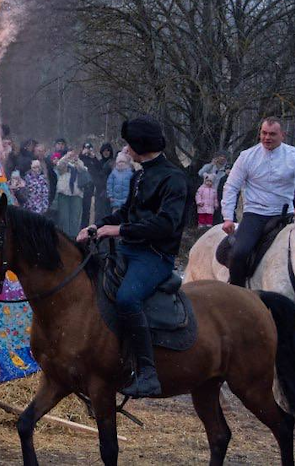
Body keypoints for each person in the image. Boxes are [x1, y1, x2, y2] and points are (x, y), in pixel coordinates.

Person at [79, 116, 187, 397]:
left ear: (140, 145)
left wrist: (120, 230)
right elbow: (126, 212)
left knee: (127, 297)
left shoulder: (174, 179)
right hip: (128, 250)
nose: (125, 148)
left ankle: (148, 373)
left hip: (154, 256)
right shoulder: (140, 174)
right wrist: (98, 226)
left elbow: (166, 225)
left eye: (129, 143)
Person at [220, 117, 295, 287]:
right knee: (239, 253)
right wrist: (227, 217)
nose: (267, 137)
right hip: (255, 215)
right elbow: (231, 187)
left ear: (283, 135)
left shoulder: (293, 156)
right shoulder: (247, 156)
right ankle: (237, 293)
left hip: (287, 214)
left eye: (272, 134)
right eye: (264, 133)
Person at [54, 148, 88, 237]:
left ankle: (74, 238)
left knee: (75, 218)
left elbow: (83, 170)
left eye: (74, 153)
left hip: (77, 194)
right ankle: (65, 237)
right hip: (64, 193)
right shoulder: (63, 161)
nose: (72, 154)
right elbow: (59, 167)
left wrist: (76, 161)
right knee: (64, 218)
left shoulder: (79, 162)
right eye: (71, 153)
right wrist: (66, 157)